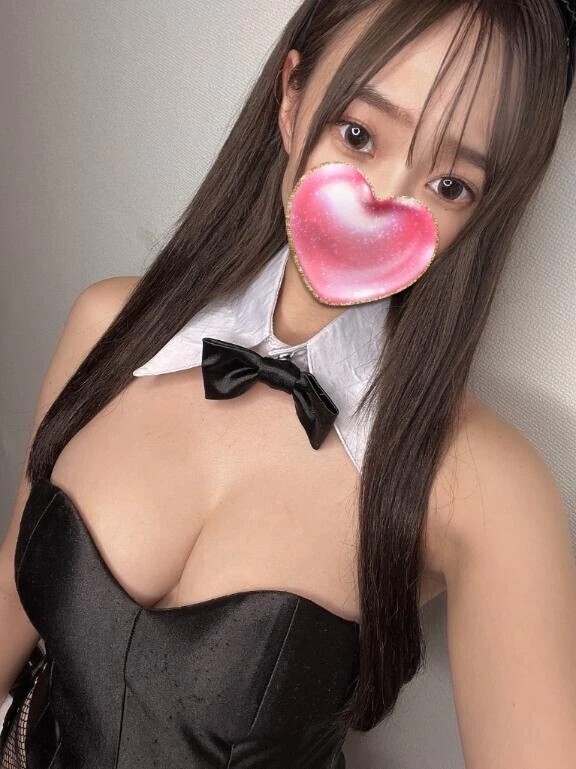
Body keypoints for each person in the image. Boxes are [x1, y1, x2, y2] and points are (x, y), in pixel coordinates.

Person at [1, 0, 576, 767]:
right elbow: (9, 609)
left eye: (449, 184)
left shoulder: (486, 488)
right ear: (292, 97)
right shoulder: (106, 324)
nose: (381, 205)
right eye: (358, 134)